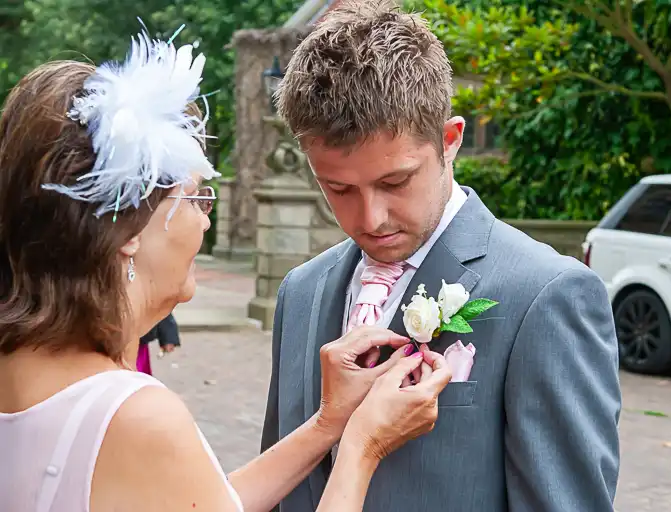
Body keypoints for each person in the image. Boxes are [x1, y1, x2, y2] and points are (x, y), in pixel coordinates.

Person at [0, 28, 452, 512]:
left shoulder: (20, 368)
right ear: (127, 229)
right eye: (196, 197)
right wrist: (363, 446)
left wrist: (328, 423)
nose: (205, 220)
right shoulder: (134, 416)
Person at [261, 2, 622, 511]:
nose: (371, 218)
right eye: (338, 188)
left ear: (450, 140)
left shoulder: (546, 295)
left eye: (395, 182)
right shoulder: (301, 290)